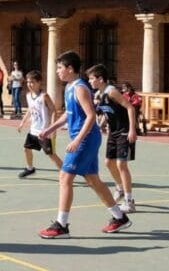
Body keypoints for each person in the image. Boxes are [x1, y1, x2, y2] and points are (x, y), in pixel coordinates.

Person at [37, 51, 131, 239]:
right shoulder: (69, 87)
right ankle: (119, 217)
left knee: (65, 177)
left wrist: (77, 140)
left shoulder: (80, 88)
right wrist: (49, 128)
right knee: (93, 180)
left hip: (86, 138)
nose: (57, 72)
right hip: (83, 138)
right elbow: (68, 115)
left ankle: (61, 225)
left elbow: (90, 116)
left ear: (70, 69)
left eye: (59, 68)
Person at [88, 65, 138, 214]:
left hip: (124, 132)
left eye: (92, 78)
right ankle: (120, 188)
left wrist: (132, 129)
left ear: (100, 79)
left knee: (121, 164)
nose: (89, 81)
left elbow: (130, 107)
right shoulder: (100, 94)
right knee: (108, 163)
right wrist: (100, 125)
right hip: (113, 132)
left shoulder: (112, 92)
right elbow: (106, 113)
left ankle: (129, 202)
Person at [17, 70, 62, 178]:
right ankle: (30, 168)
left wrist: (52, 129)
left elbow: (53, 111)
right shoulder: (28, 96)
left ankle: (65, 173)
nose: (29, 84)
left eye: (32, 82)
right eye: (28, 82)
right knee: (26, 149)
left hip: (44, 131)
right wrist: (23, 122)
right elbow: (30, 109)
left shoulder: (44, 96)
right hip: (34, 130)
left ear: (39, 82)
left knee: (51, 155)